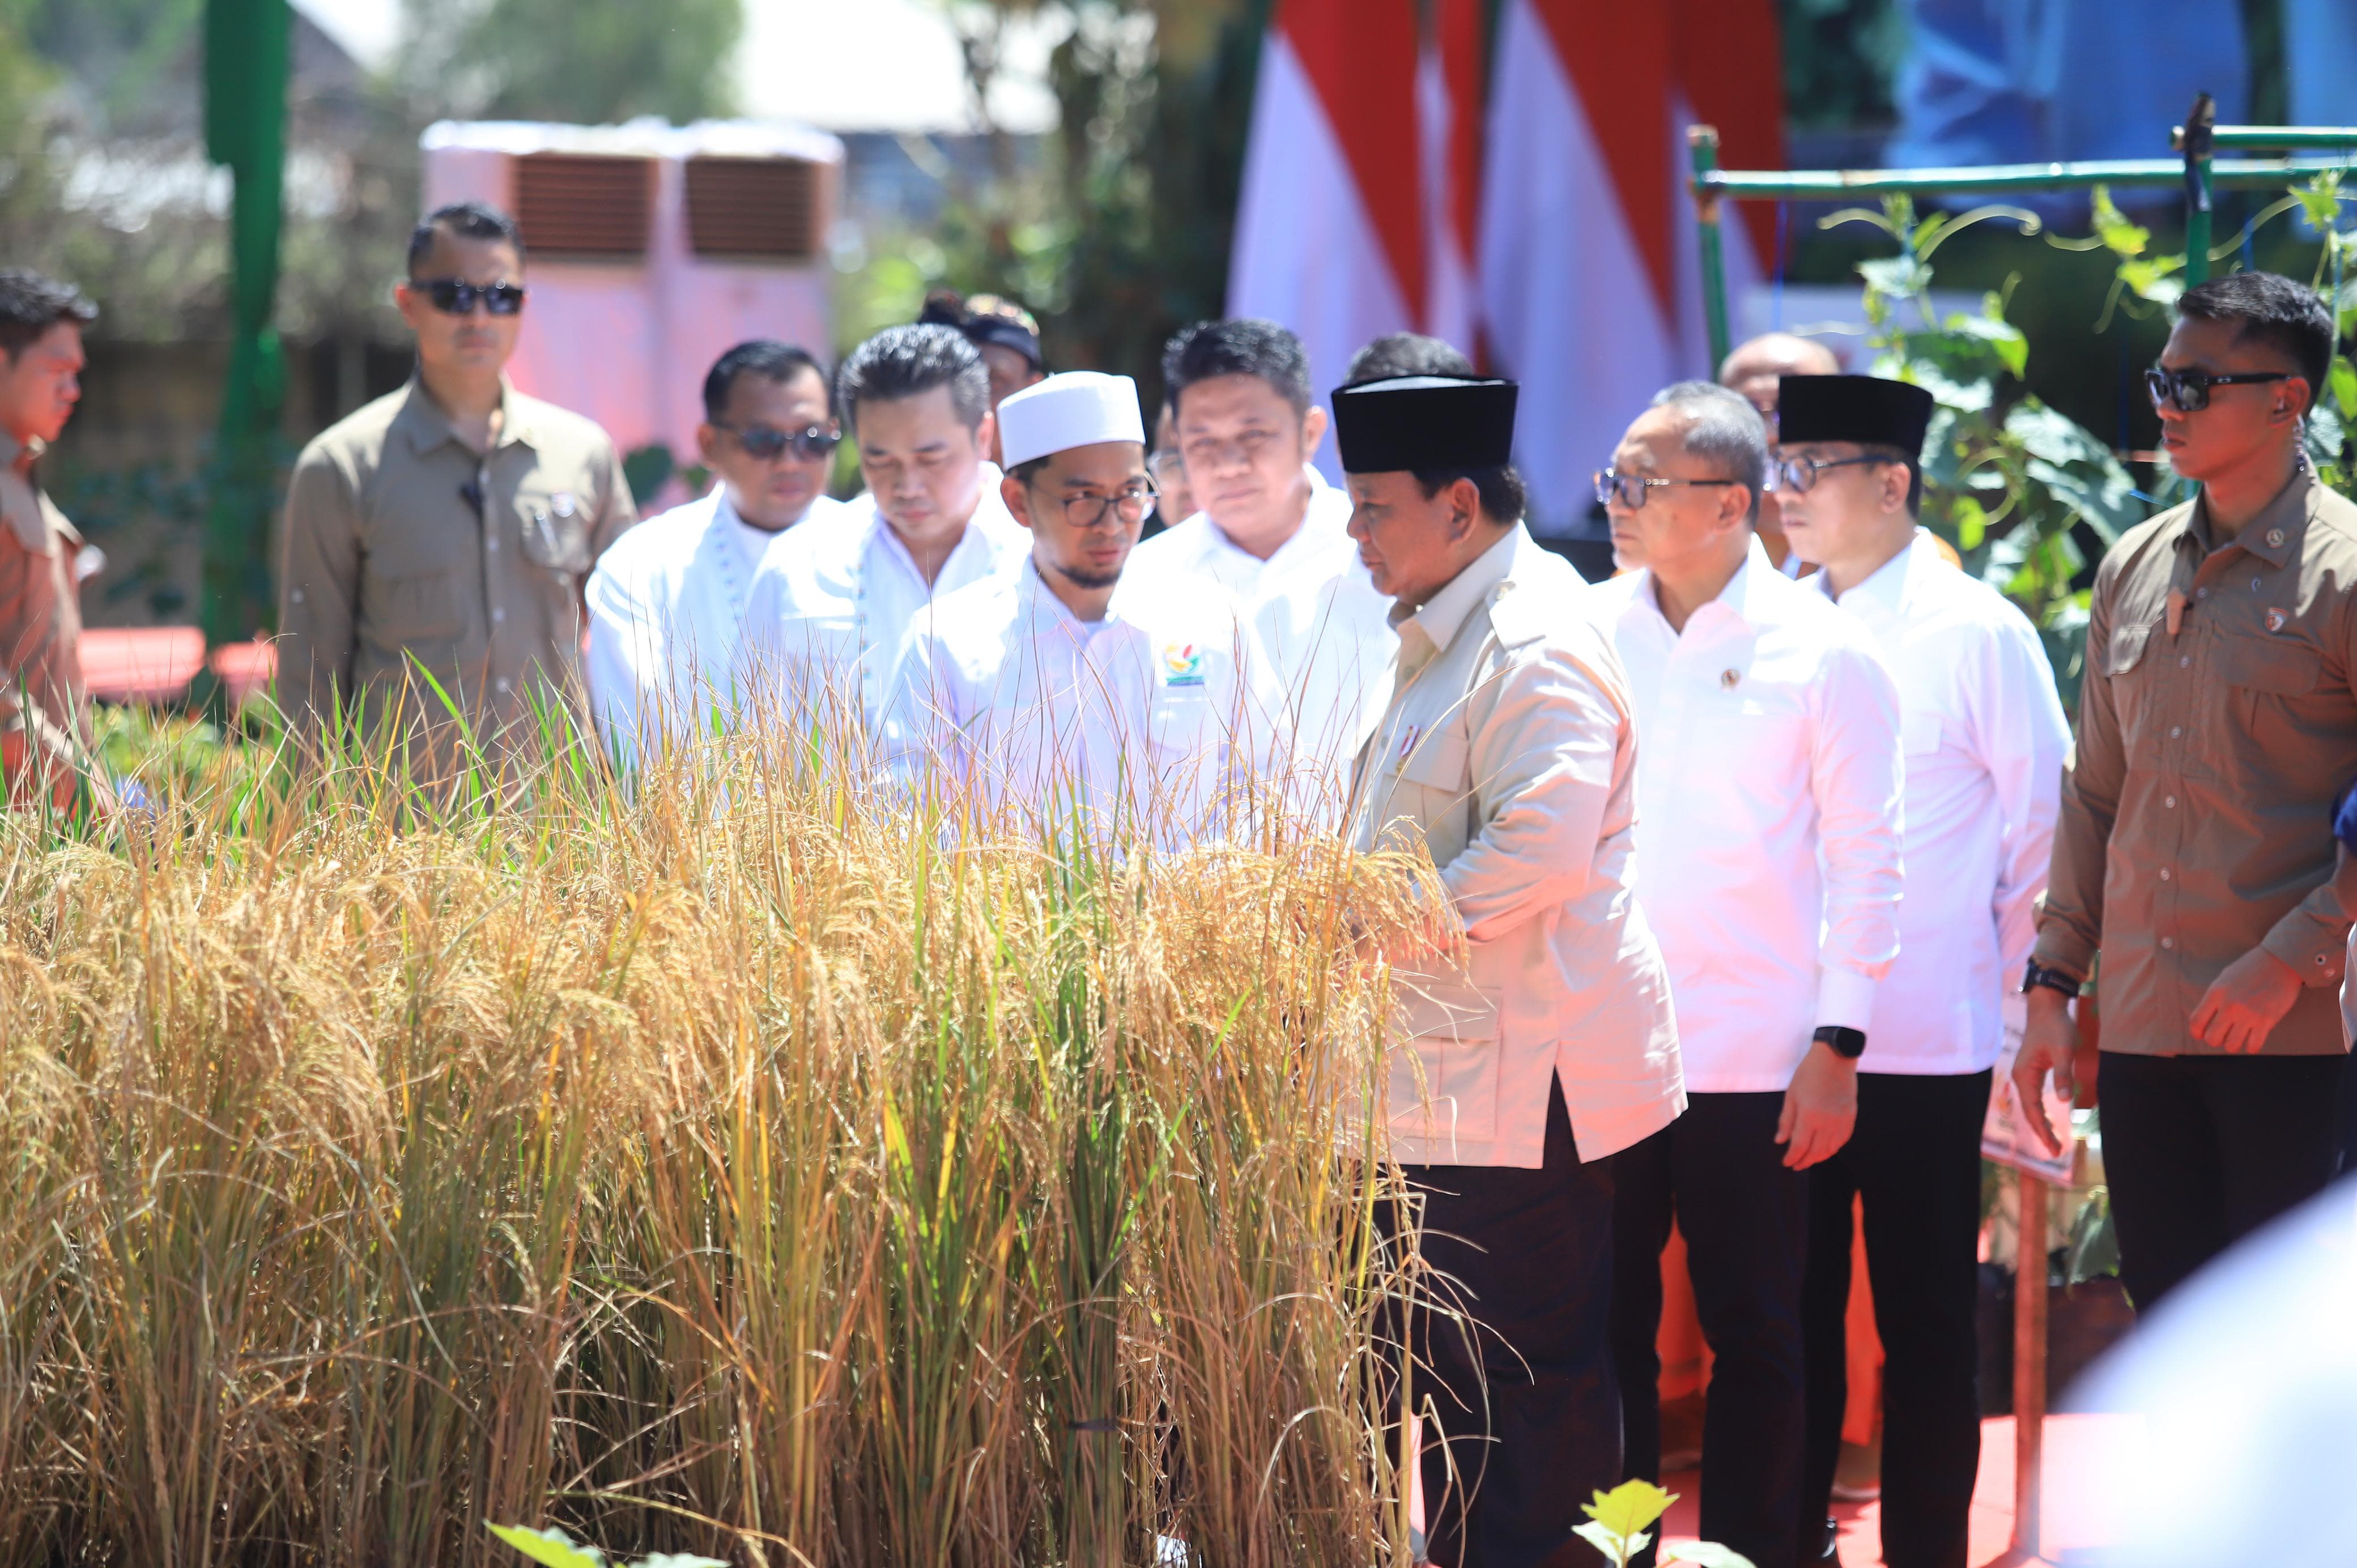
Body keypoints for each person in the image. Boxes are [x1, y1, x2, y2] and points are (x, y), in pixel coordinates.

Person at [1339, 373, 1683, 1568]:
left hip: (1528, 1095)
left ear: (1458, 501)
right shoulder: (1448, 623)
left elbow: (1539, 848)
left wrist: (1349, 927)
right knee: (1467, 1396)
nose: (1354, 530)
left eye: (1373, 504)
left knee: (1539, 1401)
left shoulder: (1534, 632)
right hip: (1447, 1088)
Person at [1589, 381, 1903, 1568]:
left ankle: (1753, 1553)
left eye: (1638, 483)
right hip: (1605, 1046)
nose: (1611, 503)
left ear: (1728, 503)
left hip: (1759, 1055)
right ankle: (1623, 1546)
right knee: (1606, 1327)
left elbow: (1870, 860)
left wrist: (1838, 1045)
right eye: (1613, 480)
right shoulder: (1586, 627)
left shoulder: (1823, 650)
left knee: (1757, 1331)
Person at [2013, 271, 2357, 1312]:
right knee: (2168, 1321)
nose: (2168, 405)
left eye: (2197, 383)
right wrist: (2050, 986)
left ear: (2287, 399)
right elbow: (2094, 793)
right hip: (2147, 1028)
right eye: (2163, 380)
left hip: (2293, 1034)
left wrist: (2288, 957)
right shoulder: (2134, 563)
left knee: (2288, 1345)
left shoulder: (2345, 572)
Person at [1776, 373, 2070, 1568]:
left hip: (1929, 1044)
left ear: (1891, 482)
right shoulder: (1777, 620)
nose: (1782, 494)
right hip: (1785, 1043)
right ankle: (1783, 1543)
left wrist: (2015, 1020)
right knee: (1784, 1324)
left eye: (1809, 470)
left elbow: (2042, 832)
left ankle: (1929, 1556)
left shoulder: (1975, 628)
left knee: (1925, 1325)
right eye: (1778, 469)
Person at [278, 202, 637, 759]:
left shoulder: (583, 454)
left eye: (500, 296)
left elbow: (631, 639)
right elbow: (311, 673)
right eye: (452, 295)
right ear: (408, 303)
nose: (477, 317)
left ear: (523, 305)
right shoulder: (342, 466)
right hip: (409, 828)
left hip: (560, 821)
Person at [884, 370, 1275, 843]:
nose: (1112, 524)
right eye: (1083, 499)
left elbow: (1265, 791)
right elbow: (910, 823)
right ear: (1018, 502)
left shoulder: (1214, 622)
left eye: (1131, 494)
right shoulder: (945, 643)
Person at [1131, 319, 1395, 819]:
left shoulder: (1383, 560)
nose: (1229, 464)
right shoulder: (1145, 580)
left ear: (1310, 432)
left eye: (1254, 435)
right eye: (1202, 442)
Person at [742, 323, 1025, 735]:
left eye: (931, 458)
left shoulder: (1037, 554)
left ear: (983, 435)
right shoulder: (796, 567)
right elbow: (754, 748)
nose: (907, 487)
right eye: (881, 460)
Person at [585, 340, 842, 758]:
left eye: (813, 438)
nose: (791, 460)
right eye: (763, 440)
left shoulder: (871, 548)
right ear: (709, 444)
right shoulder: (641, 564)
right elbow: (637, 743)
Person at [0, 268, 99, 811]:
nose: (73, 390)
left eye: (76, 372)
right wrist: (82, 785)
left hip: (48, 818)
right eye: (56, 370)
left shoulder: (22, 476)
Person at [1718, 333, 1841, 574]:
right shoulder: (1679, 554)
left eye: (1793, 408)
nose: (1770, 433)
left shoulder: (1905, 564)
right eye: (1747, 411)